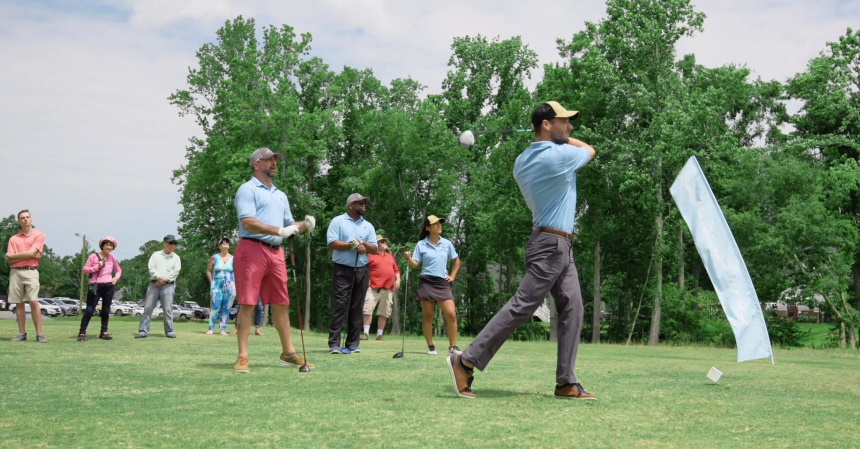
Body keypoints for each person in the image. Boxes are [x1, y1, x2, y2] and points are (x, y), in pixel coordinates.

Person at [447, 101, 598, 400]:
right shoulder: (557, 156)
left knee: (573, 307)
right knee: (523, 305)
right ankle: (465, 361)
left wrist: (553, 136)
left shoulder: (523, 159)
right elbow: (590, 150)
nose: (570, 127)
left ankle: (566, 382)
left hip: (557, 244)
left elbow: (565, 143)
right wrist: (565, 139)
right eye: (564, 122)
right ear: (546, 125)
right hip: (552, 245)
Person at [232, 147, 316, 373]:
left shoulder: (281, 195)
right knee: (248, 302)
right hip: (252, 248)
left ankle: (288, 353)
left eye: (275, 160)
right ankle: (243, 356)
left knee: (281, 302)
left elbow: (289, 225)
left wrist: (304, 225)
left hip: (276, 252)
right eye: (268, 160)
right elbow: (248, 221)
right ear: (256, 164)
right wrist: (279, 231)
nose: (274, 163)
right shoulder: (247, 189)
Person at [326, 193, 378, 354]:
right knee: (340, 305)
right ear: (351, 205)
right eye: (360, 203)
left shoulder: (368, 226)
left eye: (364, 203)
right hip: (342, 269)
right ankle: (334, 343)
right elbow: (332, 242)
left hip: (362, 269)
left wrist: (362, 243)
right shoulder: (338, 221)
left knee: (357, 306)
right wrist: (352, 244)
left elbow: (374, 249)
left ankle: (353, 344)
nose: (363, 205)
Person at [404, 216, 461, 355]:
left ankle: (453, 347)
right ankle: (431, 347)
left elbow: (457, 261)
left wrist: (452, 276)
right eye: (436, 224)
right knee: (428, 316)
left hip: (442, 282)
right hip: (427, 282)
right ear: (428, 228)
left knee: (451, 314)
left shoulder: (447, 243)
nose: (439, 226)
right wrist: (409, 258)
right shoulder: (421, 244)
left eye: (440, 224)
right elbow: (416, 264)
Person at [5, 209, 48, 343]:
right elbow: (10, 260)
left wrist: (14, 256)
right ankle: (22, 334)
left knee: (33, 301)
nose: (25, 219)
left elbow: (32, 253)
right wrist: (30, 255)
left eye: (27, 217)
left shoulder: (39, 235)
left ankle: (40, 334)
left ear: (31, 219)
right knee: (18, 303)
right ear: (19, 221)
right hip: (15, 272)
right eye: (22, 218)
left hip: (31, 270)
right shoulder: (13, 239)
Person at [136, 235, 182, 339]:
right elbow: (151, 268)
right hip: (154, 284)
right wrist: (159, 278)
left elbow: (176, 272)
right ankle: (143, 331)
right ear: (164, 243)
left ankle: (170, 331)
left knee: (168, 309)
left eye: (174, 244)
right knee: (148, 307)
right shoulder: (155, 255)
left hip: (169, 285)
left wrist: (165, 279)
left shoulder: (176, 258)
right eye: (170, 243)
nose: (172, 245)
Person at [78, 236, 122, 341]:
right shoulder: (93, 256)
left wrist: (116, 278)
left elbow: (118, 270)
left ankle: (104, 332)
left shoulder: (113, 258)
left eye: (111, 245)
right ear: (102, 245)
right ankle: (82, 332)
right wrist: (97, 266)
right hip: (96, 285)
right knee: (90, 309)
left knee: (106, 310)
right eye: (107, 245)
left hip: (109, 286)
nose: (109, 247)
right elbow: (85, 270)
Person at [362, 235, 401, 341]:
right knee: (367, 310)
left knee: (384, 312)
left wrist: (398, 280)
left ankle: (380, 334)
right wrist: (366, 279)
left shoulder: (390, 256)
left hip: (388, 288)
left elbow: (396, 270)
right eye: (382, 241)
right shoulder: (370, 255)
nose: (385, 243)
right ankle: (365, 333)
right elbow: (364, 268)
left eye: (385, 241)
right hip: (373, 288)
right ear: (376, 244)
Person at [206, 237, 235, 336]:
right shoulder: (215, 257)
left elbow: (237, 272)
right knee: (216, 305)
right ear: (219, 246)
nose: (225, 243)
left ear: (229, 246)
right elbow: (208, 271)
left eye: (227, 242)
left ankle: (223, 329)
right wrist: (212, 283)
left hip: (230, 284)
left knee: (227, 307)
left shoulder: (233, 258)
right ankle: (211, 328)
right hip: (217, 284)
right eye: (222, 242)